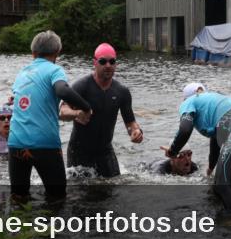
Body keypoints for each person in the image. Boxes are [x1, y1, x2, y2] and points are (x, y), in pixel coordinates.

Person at [8, 31, 90, 200]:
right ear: (56, 53)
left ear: (33, 53)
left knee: (19, 197)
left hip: (16, 143)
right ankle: (50, 225)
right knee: (57, 197)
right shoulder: (54, 70)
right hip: (44, 145)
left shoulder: (21, 73)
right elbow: (62, 90)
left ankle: (21, 225)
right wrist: (86, 107)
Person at [164, 83, 231, 214]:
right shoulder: (215, 102)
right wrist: (210, 168)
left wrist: (173, 151)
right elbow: (216, 139)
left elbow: (185, 129)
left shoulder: (190, 101)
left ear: (186, 98)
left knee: (221, 186)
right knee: (224, 188)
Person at [60, 43, 143, 178]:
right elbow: (62, 111)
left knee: (113, 191)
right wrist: (76, 113)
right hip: (79, 152)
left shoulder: (122, 91)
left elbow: (130, 122)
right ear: (95, 63)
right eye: (103, 61)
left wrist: (135, 132)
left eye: (112, 61)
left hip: (105, 151)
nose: (108, 65)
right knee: (79, 196)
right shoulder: (82, 86)